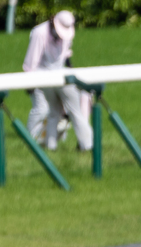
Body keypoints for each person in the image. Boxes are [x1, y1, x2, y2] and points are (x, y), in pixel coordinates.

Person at [22, 10, 92, 152]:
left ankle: (51, 146)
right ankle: (87, 145)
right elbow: (31, 62)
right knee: (65, 110)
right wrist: (30, 85)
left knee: (56, 111)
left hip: (60, 74)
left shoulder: (67, 31)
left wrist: (71, 70)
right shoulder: (39, 33)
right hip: (42, 76)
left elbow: (65, 54)